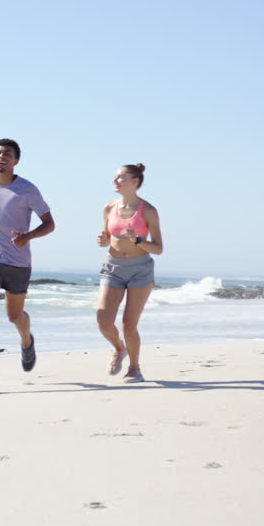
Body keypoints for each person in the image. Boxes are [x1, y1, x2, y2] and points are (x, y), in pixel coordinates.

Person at [0, 139, 55, 391]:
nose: (1, 156)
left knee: (14, 315)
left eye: (7, 153)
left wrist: (27, 237)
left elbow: (49, 224)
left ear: (16, 161)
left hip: (17, 262)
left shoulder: (27, 189)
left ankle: (27, 341)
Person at [96, 163, 163, 382]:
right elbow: (106, 235)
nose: (115, 181)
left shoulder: (148, 211)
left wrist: (138, 240)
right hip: (113, 266)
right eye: (115, 177)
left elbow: (159, 248)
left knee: (128, 324)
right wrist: (103, 240)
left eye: (121, 178)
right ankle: (118, 348)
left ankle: (135, 368)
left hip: (140, 269)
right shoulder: (109, 207)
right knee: (103, 320)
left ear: (135, 182)